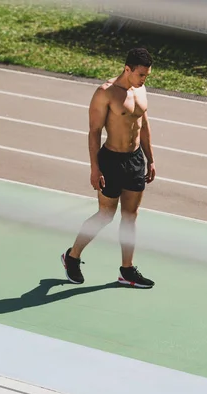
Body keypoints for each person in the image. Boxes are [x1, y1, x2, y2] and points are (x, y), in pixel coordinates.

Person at [60, 48, 156, 289]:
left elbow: (143, 126)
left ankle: (127, 270)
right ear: (128, 69)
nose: (144, 79)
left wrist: (150, 159)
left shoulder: (141, 90)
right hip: (111, 160)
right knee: (105, 215)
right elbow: (93, 132)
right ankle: (72, 257)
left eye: (147, 75)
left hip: (135, 160)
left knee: (130, 216)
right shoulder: (106, 93)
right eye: (141, 75)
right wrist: (95, 168)